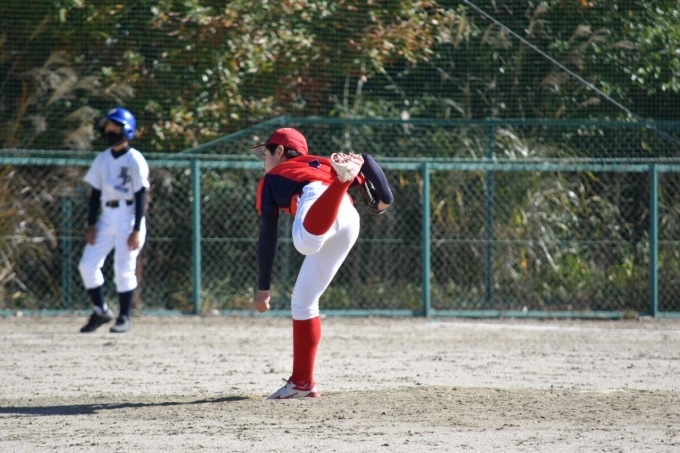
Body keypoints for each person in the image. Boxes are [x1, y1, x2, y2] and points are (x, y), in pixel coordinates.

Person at [250, 127, 394, 399]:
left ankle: (342, 182)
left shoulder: (272, 178)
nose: (264, 161)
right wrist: (385, 199)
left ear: (279, 151)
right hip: (347, 217)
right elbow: (368, 161)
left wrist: (263, 288)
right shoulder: (325, 163)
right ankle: (302, 383)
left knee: (305, 243)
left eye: (266, 154)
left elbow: (268, 233)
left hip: (318, 200)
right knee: (303, 300)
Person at [78, 107, 149, 334]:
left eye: (116, 127)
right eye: (108, 126)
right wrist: (91, 224)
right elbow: (95, 194)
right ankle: (100, 310)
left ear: (127, 130)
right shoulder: (102, 159)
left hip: (129, 215)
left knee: (123, 267)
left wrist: (136, 229)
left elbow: (141, 194)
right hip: (107, 216)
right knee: (87, 265)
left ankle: (124, 317)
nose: (110, 130)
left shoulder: (135, 158)